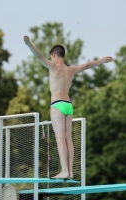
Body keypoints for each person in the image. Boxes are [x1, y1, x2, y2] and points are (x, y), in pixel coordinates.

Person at [24, 35, 113, 179]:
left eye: (51, 57)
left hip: (57, 105)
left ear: (54, 55)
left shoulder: (53, 66)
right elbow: (87, 65)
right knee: (68, 139)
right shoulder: (70, 70)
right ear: (63, 55)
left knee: (60, 138)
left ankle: (65, 171)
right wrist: (102, 61)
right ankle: (70, 172)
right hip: (68, 106)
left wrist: (29, 44)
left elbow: (39, 56)